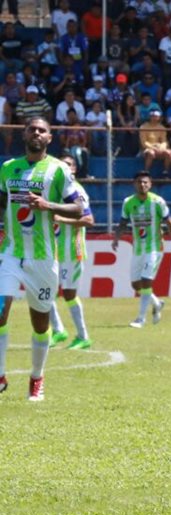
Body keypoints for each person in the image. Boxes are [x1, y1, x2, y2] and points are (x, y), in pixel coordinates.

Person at [0, 117, 86, 401]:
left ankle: (37, 378)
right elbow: (2, 203)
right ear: (24, 134)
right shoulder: (8, 168)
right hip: (11, 253)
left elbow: (80, 208)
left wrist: (47, 205)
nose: (36, 133)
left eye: (41, 130)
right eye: (31, 129)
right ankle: (0, 376)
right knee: (0, 311)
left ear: (49, 138)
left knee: (40, 324)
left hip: (43, 259)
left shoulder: (58, 170)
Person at [112, 172, 171, 329]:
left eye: (145, 182)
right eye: (139, 182)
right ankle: (157, 303)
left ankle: (140, 319)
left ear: (150, 184)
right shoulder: (128, 202)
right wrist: (116, 238)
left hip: (154, 248)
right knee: (136, 285)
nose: (142, 185)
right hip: (138, 249)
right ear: (134, 184)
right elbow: (123, 221)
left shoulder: (157, 202)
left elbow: (170, 223)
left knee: (146, 281)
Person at [47, 154, 95, 350]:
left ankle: (83, 336)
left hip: (72, 251)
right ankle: (58, 330)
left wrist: (61, 219)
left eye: (68, 165)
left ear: (73, 169)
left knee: (68, 293)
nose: (64, 168)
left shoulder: (78, 191)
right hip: (54, 249)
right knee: (45, 291)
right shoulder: (55, 190)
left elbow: (89, 220)